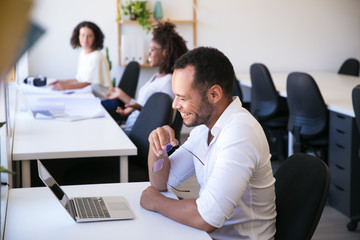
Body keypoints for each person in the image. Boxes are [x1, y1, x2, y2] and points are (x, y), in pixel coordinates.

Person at [140, 47, 276, 239]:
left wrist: (157, 202)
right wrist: (158, 147)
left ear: (214, 94)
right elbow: (162, 182)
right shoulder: (204, 129)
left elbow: (208, 218)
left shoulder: (240, 132)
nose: (175, 104)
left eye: (183, 97)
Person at [104, 22, 188, 133]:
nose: (148, 53)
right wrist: (121, 95)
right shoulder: (156, 77)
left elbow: (161, 118)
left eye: (152, 49)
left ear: (165, 52)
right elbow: (142, 103)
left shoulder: (168, 82)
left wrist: (138, 108)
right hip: (131, 128)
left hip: (137, 134)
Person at [50, 21, 112, 90]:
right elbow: (80, 80)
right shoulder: (83, 54)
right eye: (82, 35)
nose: (85, 39)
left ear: (95, 38)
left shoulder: (97, 57)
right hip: (92, 95)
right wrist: (62, 82)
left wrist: (65, 87)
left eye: (89, 36)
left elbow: (88, 83)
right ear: (78, 36)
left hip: (104, 98)